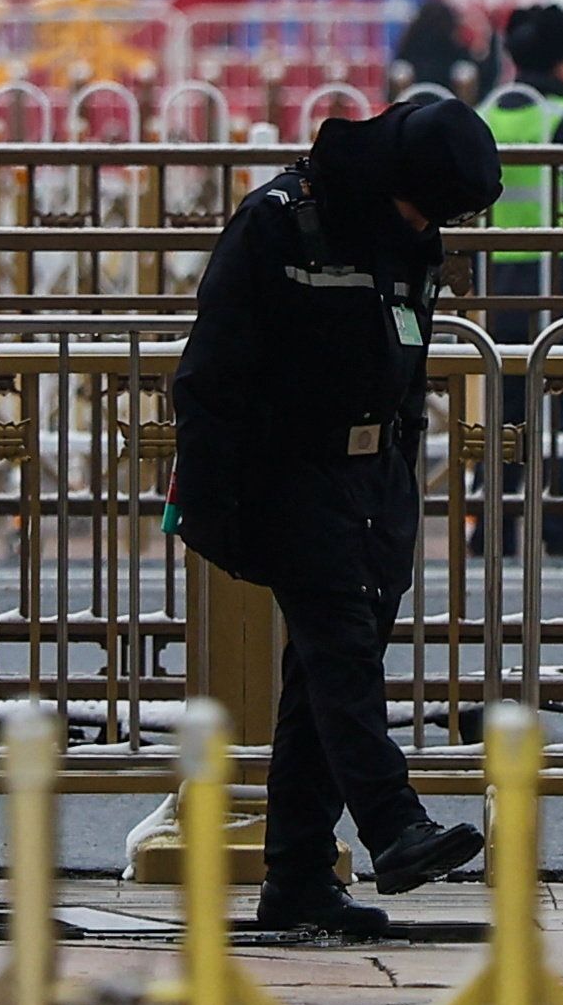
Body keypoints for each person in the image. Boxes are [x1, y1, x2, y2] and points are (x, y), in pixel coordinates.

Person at [170, 96, 499, 938]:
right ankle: (393, 826)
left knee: (319, 677)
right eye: (424, 205)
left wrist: (399, 484)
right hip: (285, 471)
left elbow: (411, 359)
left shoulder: (412, 234)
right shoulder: (282, 222)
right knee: (342, 653)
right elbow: (210, 375)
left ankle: (300, 877)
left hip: (372, 478)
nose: (428, 224)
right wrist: (213, 501)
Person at [480, 6, 563, 558]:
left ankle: (493, 523)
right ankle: (560, 520)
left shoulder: (486, 112)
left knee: (507, 405)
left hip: (503, 276)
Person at [392, 0, 469, 95]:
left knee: (465, 72)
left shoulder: (450, 31)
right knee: (400, 72)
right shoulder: (416, 35)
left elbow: (462, 56)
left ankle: (464, 109)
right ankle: (402, 107)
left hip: (446, 76)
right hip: (419, 75)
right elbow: (402, 58)